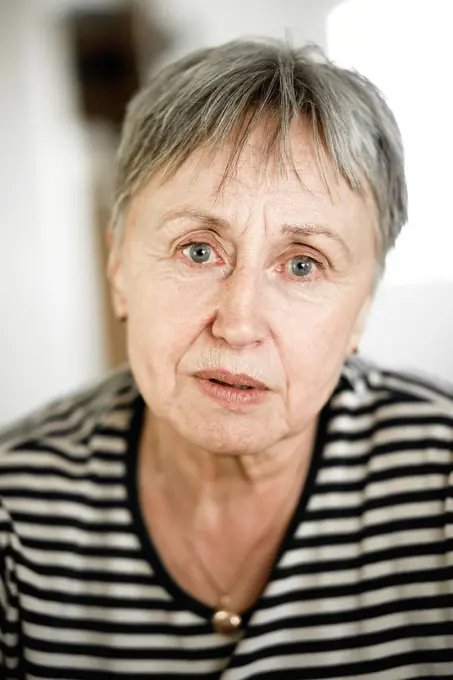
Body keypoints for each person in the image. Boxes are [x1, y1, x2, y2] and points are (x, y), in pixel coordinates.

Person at [0, 38, 452, 680]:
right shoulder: (14, 511)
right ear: (120, 267)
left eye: (303, 264)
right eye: (198, 250)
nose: (238, 324)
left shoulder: (440, 485)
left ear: (361, 310)